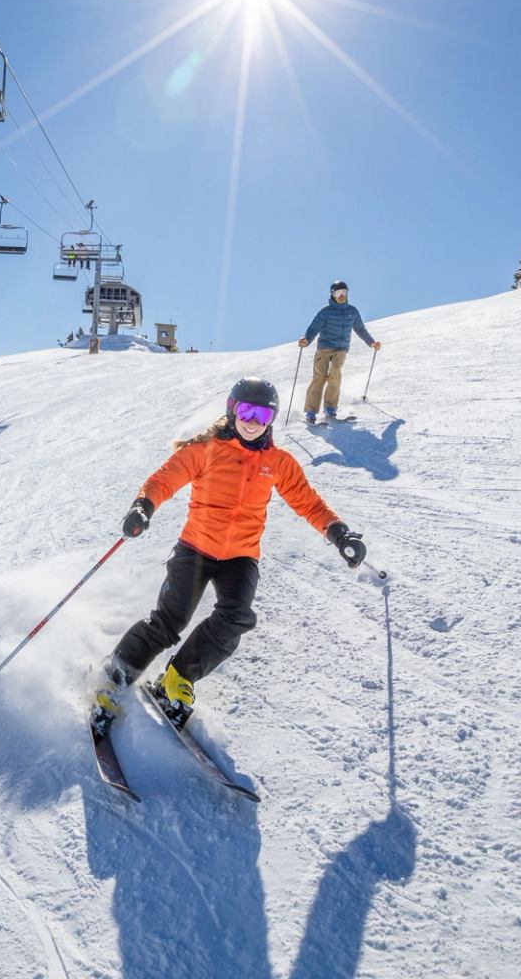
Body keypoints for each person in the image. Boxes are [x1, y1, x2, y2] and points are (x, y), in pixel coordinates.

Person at [90, 376, 379, 732]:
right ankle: (115, 675)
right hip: (195, 548)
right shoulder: (206, 450)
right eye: (247, 410)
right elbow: (164, 479)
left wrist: (339, 533)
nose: (253, 421)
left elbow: (308, 502)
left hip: (241, 556)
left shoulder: (279, 462)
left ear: (272, 418)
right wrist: (143, 507)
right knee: (170, 619)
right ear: (232, 409)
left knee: (236, 617)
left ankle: (177, 678)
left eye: (263, 414)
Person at [297, 280, 380, 425]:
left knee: (335, 375)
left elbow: (360, 329)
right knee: (319, 377)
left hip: (341, 349)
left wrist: (371, 342)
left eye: (344, 293)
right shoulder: (326, 312)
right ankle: (311, 412)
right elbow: (314, 327)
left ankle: (330, 408)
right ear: (332, 295)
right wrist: (306, 340)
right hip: (324, 348)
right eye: (338, 293)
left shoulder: (352, 311)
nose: (341, 296)